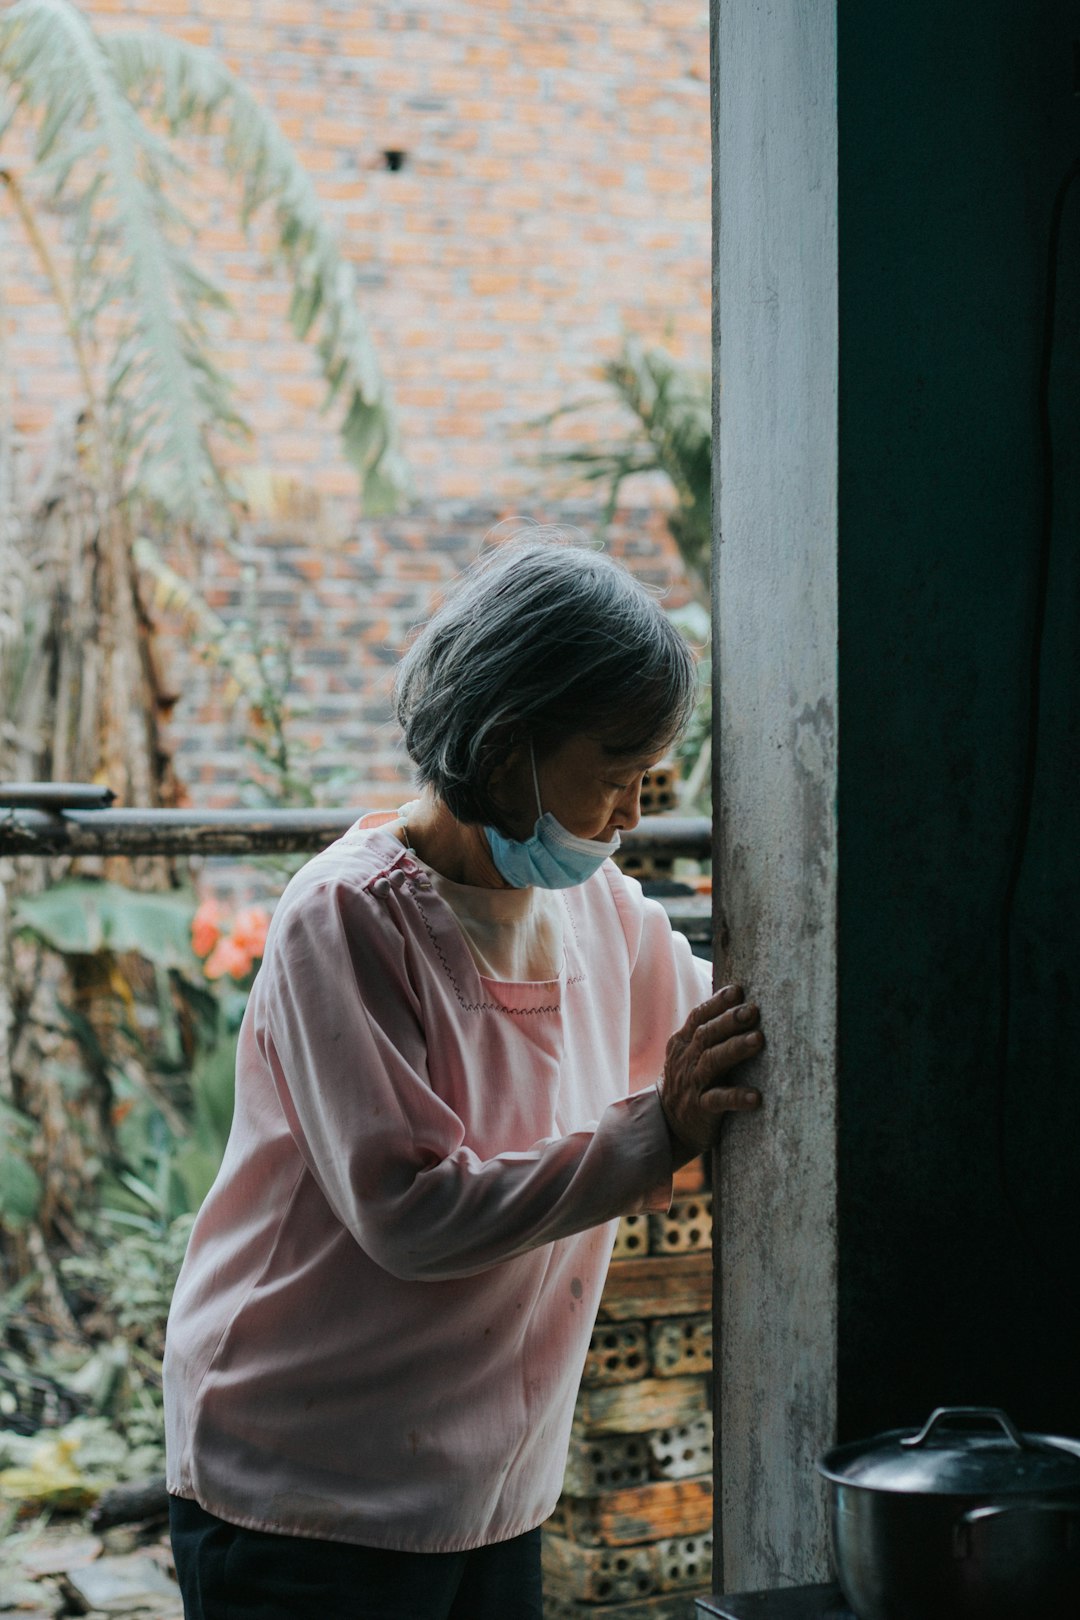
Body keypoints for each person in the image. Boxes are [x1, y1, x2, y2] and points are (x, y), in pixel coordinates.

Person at [164, 534, 764, 1620]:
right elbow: (410, 1211)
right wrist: (652, 1137)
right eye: (615, 778)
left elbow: (720, 1034)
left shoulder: (597, 912)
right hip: (307, 1488)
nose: (634, 815)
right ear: (505, 756)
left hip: (489, 1487)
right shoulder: (346, 919)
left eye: (648, 782)